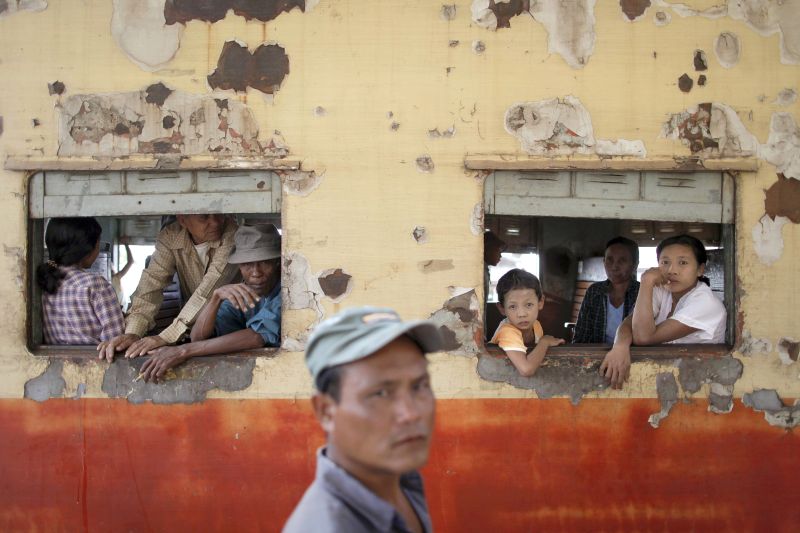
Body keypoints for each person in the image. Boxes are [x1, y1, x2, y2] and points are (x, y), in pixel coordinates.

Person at [283, 307, 443, 533]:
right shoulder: (329, 526)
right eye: (380, 393)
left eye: (419, 386)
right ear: (326, 411)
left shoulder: (399, 480)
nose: (411, 413)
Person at [139, 224, 282, 382]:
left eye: (265, 262)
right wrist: (215, 299)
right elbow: (198, 337)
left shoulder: (286, 292)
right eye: (247, 264)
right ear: (239, 266)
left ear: (277, 262)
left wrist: (183, 351)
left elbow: (256, 337)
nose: (256, 273)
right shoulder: (243, 292)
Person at [97, 214, 240, 362]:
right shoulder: (171, 235)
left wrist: (164, 337)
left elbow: (207, 291)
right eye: (204, 217)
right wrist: (133, 333)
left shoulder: (233, 235)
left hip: (235, 326)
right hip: (198, 328)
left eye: (219, 214)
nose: (216, 222)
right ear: (183, 220)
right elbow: (151, 285)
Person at [600, 234, 727, 389]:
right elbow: (630, 322)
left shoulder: (706, 303)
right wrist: (619, 346)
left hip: (701, 385)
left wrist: (646, 281)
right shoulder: (664, 290)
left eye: (683, 263)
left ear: (700, 269)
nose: (672, 270)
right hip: (670, 381)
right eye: (665, 262)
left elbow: (643, 337)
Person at [37, 217, 125, 345]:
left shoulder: (43, 281)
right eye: (98, 243)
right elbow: (117, 341)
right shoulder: (96, 285)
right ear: (88, 248)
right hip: (94, 363)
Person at [489, 268, 564, 377]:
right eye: (513, 306)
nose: (522, 314)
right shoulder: (507, 331)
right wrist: (545, 341)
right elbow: (526, 370)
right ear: (502, 308)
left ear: (540, 302)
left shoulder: (536, 325)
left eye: (528, 305)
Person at [574, 236, 640, 343]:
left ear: (635, 265)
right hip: (597, 356)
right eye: (610, 260)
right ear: (604, 262)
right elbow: (581, 335)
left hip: (633, 356)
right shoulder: (594, 291)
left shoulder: (642, 293)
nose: (614, 266)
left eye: (622, 261)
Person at [111, 236, 134, 308]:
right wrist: (126, 244)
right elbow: (130, 261)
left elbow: (130, 262)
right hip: (120, 311)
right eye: (112, 268)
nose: (113, 269)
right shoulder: (115, 278)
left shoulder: (115, 278)